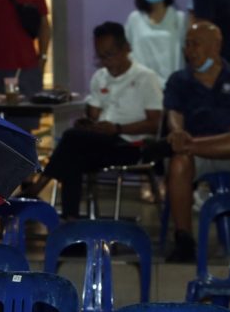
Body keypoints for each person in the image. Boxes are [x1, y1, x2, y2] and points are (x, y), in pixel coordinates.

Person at [23, 22, 162, 220]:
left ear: (126, 49)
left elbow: (155, 123)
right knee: (73, 156)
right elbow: (94, 116)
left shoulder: (146, 78)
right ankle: (71, 223)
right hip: (102, 143)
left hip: (131, 145)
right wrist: (87, 122)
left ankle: (36, 189)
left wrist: (117, 128)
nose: (105, 61)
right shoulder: (100, 77)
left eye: (110, 54)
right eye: (101, 56)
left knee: (71, 140)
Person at [162, 20, 230, 262]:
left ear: (216, 46)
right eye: (187, 44)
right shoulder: (179, 80)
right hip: (197, 154)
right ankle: (184, 239)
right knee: (179, 162)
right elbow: (174, 115)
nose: (189, 50)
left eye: (195, 44)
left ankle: (192, 146)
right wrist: (178, 132)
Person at [125, 0, 186, 82]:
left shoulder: (179, 18)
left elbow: (186, 50)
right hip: (143, 84)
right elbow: (126, 52)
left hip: (173, 84)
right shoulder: (135, 19)